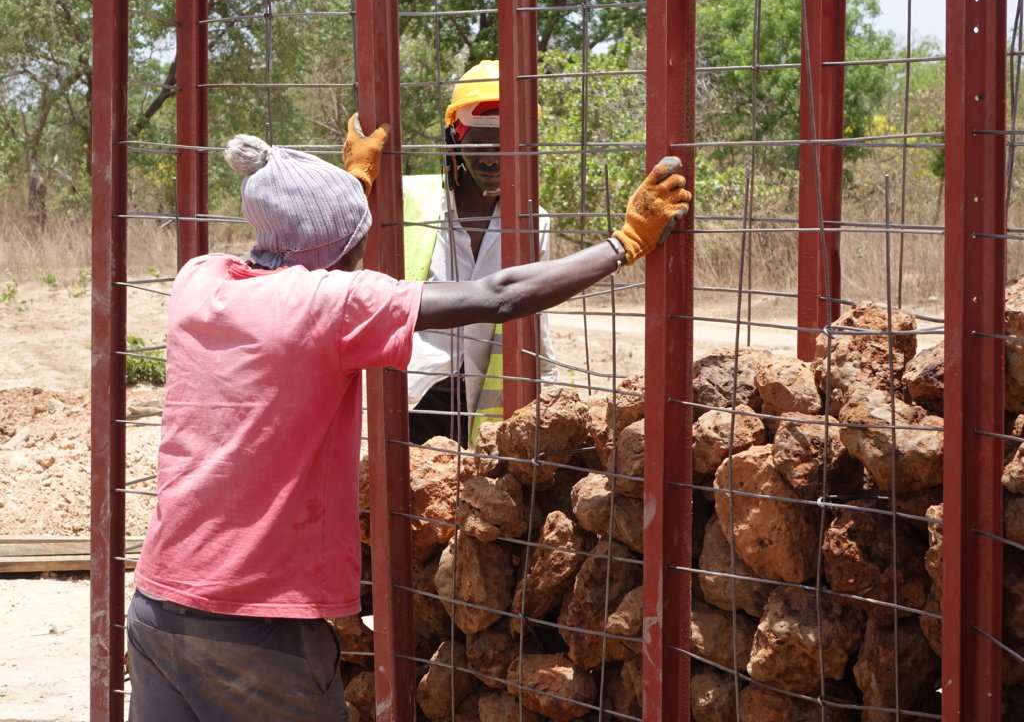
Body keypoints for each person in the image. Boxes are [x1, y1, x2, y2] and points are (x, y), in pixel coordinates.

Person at [125, 114, 691, 721]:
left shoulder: (198, 282)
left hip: (157, 607)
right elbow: (496, 296)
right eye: (358, 237)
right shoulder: (334, 307)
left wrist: (346, 189)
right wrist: (623, 243)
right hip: (259, 629)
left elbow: (298, 253)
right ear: (340, 250)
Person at [404, 59, 556, 448]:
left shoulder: (532, 222)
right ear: (454, 135)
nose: (491, 157)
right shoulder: (406, 200)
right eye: (479, 140)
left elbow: (536, 318)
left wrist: (549, 389)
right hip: (412, 393)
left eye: (505, 142)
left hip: (484, 406)